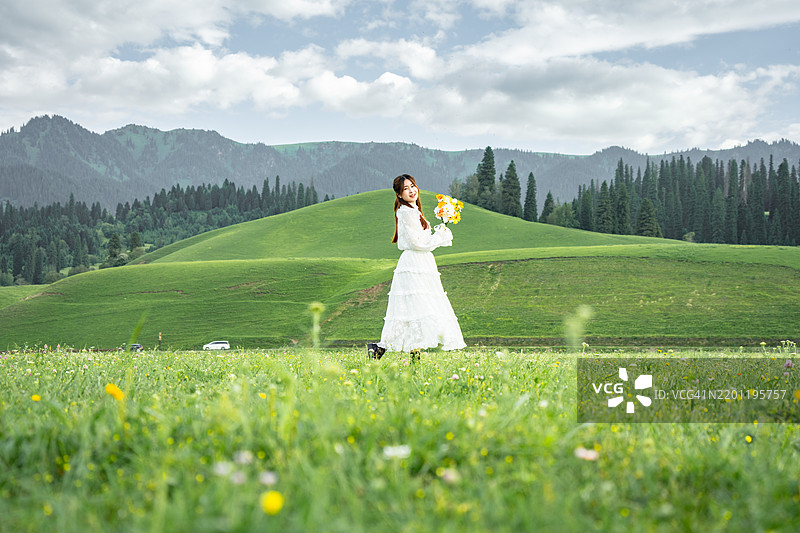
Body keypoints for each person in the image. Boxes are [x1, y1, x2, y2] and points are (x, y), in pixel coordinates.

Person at [367, 174, 466, 359]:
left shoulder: (414, 210)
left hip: (423, 263)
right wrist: (440, 237)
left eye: (412, 186)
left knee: (418, 309)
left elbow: (423, 241)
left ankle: (388, 351)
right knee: (415, 308)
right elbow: (417, 243)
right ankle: (386, 350)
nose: (411, 190)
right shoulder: (405, 212)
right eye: (406, 188)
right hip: (414, 264)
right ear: (399, 194)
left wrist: (440, 229)